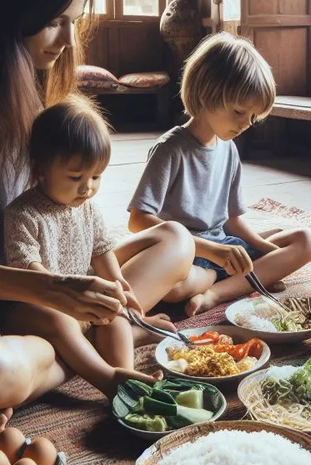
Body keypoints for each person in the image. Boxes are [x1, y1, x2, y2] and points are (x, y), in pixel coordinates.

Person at [0, 0, 194, 412]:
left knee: (176, 241)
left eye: (74, 22)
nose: (68, 40)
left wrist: (91, 289)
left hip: (61, 279)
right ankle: (94, 349)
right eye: (53, 21)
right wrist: (53, 289)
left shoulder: (45, 97)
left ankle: (86, 343)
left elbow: (80, 221)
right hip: (19, 293)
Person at [128, 32, 311, 316]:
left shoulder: (228, 148)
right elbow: (138, 221)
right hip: (186, 254)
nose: (246, 124)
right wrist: (211, 251)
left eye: (253, 117)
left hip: (224, 247)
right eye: (240, 111)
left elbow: (231, 220)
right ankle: (242, 280)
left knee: (307, 240)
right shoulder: (170, 149)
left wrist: (264, 248)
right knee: (174, 289)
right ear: (207, 94)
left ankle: (215, 294)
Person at [4, 97, 182, 398]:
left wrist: (120, 288)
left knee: (113, 310)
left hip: (83, 302)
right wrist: (64, 300)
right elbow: (28, 268)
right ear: (41, 167)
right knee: (58, 320)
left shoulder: (87, 208)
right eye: (75, 178)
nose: (87, 188)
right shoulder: (23, 214)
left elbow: (101, 251)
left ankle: (127, 371)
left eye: (96, 177)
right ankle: (108, 378)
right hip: (40, 307)